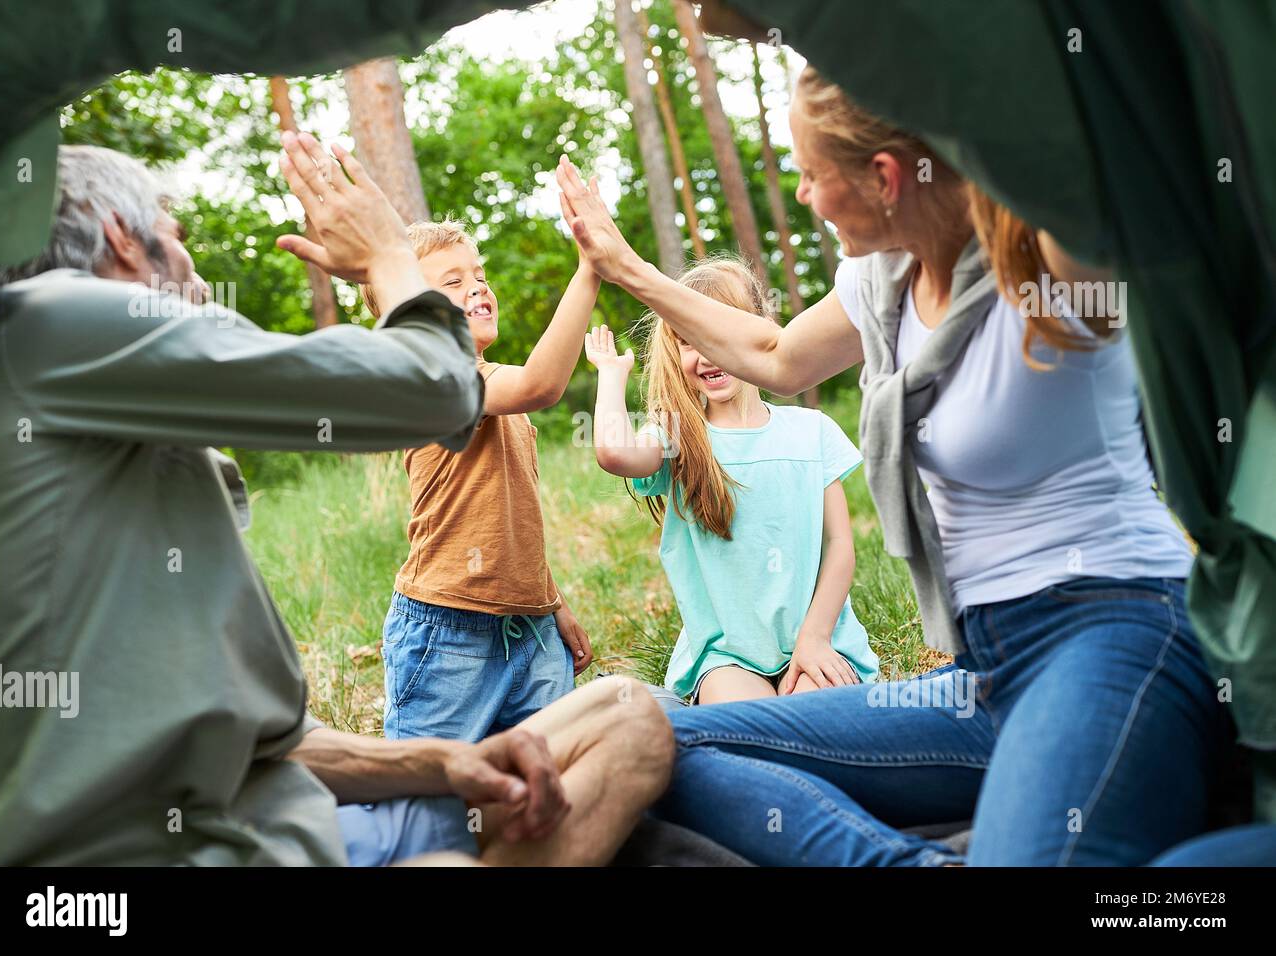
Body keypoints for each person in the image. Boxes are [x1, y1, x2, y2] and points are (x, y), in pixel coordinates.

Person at [555, 64, 1225, 865]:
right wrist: (624, 266)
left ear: (883, 179)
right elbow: (772, 352)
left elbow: (1109, 148)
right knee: (652, 741)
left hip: (1112, 630)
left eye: (809, 175)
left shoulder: (1051, 262)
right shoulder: (881, 283)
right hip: (986, 671)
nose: (801, 195)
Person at [0, 132, 672, 866]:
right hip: (244, 842)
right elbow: (430, 385)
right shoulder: (50, 324)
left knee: (631, 715)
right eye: (176, 236)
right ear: (121, 240)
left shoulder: (131, 469)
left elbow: (265, 744)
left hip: (296, 818)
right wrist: (386, 256)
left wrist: (439, 764)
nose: (195, 267)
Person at [584, 257, 877, 704]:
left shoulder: (811, 431)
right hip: (727, 656)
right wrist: (610, 374)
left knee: (818, 725)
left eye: (717, 336)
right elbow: (614, 452)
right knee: (751, 727)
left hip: (818, 640)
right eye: (687, 342)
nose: (704, 355)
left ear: (757, 331)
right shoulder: (677, 436)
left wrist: (814, 638)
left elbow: (839, 547)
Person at [364, 218, 598, 742]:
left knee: (551, 781)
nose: (476, 287)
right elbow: (541, 384)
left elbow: (511, 522)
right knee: (431, 799)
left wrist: (551, 602)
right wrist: (589, 271)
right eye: (451, 282)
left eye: (479, 274)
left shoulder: (500, 393)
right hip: (447, 634)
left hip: (531, 631)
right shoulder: (433, 384)